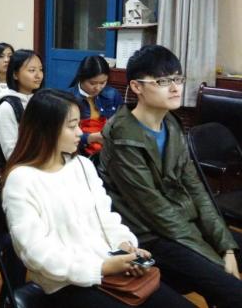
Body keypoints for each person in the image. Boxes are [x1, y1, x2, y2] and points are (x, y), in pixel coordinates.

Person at [2, 89, 194, 308]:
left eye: (79, 124)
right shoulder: (21, 180)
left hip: (106, 267)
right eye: (72, 126)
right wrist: (101, 267)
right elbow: (35, 252)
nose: (80, 132)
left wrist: (125, 246)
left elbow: (105, 217)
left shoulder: (81, 165)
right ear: (46, 129)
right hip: (65, 285)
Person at [99, 45, 242, 307]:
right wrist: (215, 258)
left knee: (231, 254)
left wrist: (226, 246)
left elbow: (196, 188)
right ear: (137, 87)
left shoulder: (171, 124)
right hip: (149, 233)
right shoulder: (123, 136)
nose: (175, 87)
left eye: (178, 78)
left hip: (180, 220)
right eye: (163, 81)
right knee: (230, 287)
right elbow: (154, 208)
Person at [67, 55, 123, 156]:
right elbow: (63, 133)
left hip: (108, 151)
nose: (98, 88)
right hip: (78, 151)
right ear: (81, 78)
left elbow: (121, 124)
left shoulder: (113, 95)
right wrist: (90, 138)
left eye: (103, 83)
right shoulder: (68, 98)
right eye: (92, 83)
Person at [0, 49, 43, 161]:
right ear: (15, 74)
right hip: (26, 165)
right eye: (32, 70)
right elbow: (11, 154)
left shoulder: (41, 100)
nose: (39, 75)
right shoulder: (6, 109)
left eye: (41, 70)